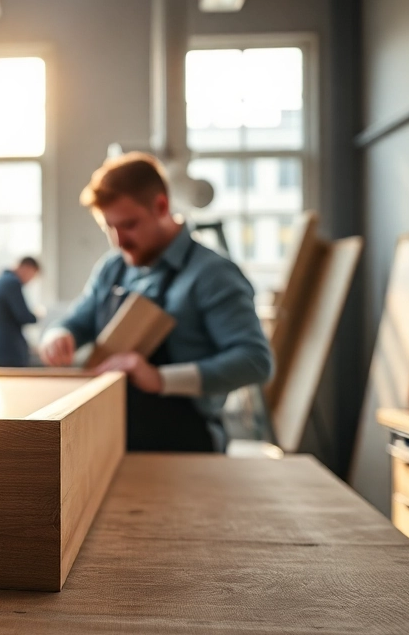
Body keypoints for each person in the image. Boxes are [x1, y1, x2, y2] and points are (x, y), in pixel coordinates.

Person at [39, 152, 272, 452]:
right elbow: (79, 321)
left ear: (161, 206)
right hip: (112, 438)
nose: (119, 241)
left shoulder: (212, 274)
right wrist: (58, 335)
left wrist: (159, 378)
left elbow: (255, 361)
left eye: (129, 225)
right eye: (109, 227)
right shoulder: (113, 267)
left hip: (185, 444)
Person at [0, 257, 41, 367]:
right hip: (7, 353)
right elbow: (23, 316)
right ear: (27, 268)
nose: (31, 280)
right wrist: (37, 315)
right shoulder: (12, 283)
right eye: (33, 275)